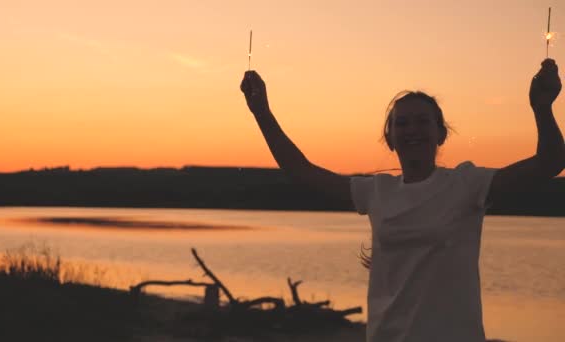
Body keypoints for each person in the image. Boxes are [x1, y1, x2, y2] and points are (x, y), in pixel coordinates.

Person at [240, 59, 564, 342]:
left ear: (441, 134)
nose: (413, 130)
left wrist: (542, 107)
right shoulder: (376, 192)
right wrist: (262, 112)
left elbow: (550, 162)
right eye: (402, 123)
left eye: (423, 121)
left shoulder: (467, 185)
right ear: (390, 137)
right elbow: (301, 171)